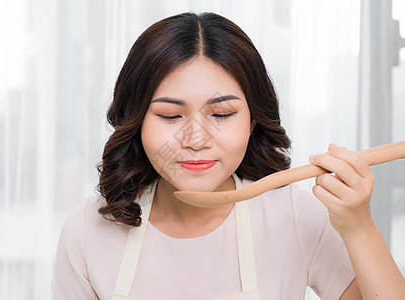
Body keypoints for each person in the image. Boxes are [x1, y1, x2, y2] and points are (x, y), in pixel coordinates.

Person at [52, 12, 405, 299]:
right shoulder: (87, 232)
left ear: (252, 121)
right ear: (136, 122)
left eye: (221, 115)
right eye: (170, 116)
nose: (195, 139)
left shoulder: (296, 216)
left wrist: (359, 228)